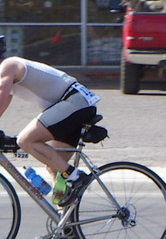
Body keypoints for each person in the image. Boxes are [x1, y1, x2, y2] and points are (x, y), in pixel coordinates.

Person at [0, 35, 100, 207]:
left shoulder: (8, 66)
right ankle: (66, 227)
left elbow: (1, 95)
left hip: (73, 101)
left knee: (25, 140)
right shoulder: (7, 75)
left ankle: (77, 177)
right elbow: (3, 102)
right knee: (54, 166)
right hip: (75, 105)